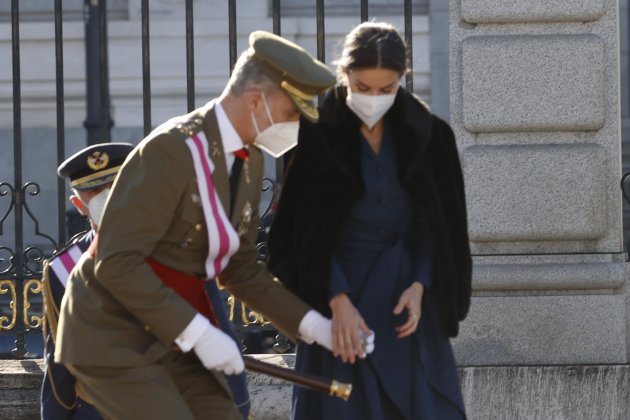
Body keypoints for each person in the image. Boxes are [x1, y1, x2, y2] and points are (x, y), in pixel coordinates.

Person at [54, 31, 346, 419]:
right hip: (113, 332)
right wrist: (201, 334)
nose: (296, 127)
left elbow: (239, 268)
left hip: (170, 332)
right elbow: (117, 262)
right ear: (256, 101)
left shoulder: (250, 160)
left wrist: (313, 326)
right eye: (293, 114)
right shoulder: (170, 150)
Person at [267, 22, 472, 419]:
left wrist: (421, 284)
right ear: (344, 76)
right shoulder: (318, 135)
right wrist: (336, 298)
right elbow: (300, 233)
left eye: (386, 89)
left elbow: (440, 226)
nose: (373, 98)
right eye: (362, 88)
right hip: (337, 303)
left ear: (402, 81)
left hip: (407, 306)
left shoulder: (430, 136)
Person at [41, 142, 133, 420]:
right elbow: (60, 365)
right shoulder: (62, 269)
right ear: (79, 205)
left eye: (115, 188)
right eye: (94, 192)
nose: (106, 198)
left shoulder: (171, 250)